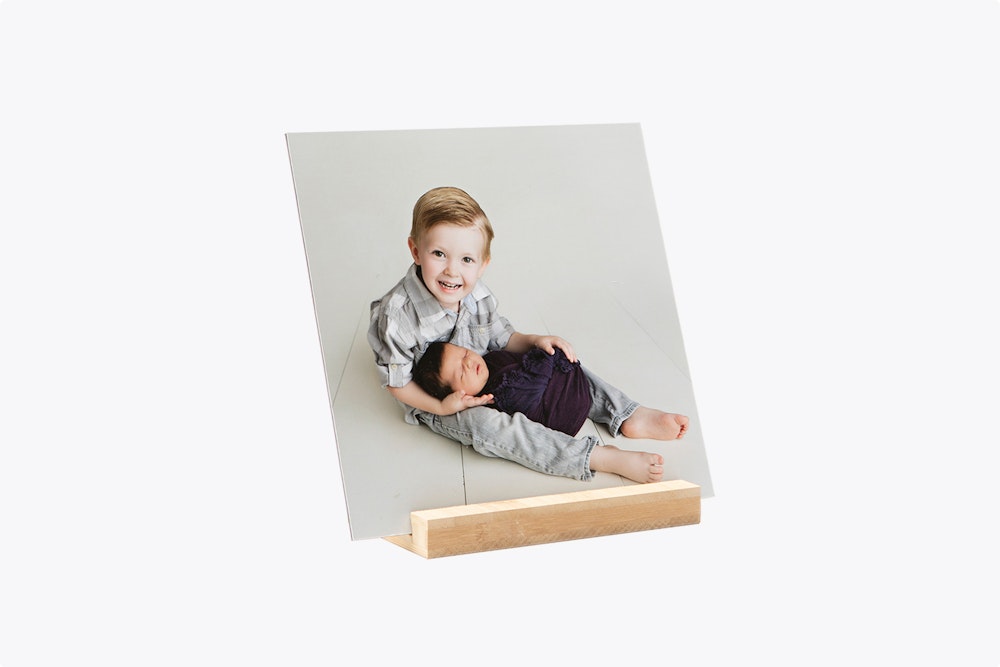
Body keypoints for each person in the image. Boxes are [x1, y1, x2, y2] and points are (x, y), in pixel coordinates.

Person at [368, 186, 688, 485]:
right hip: (435, 396)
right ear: (415, 250)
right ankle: (595, 456)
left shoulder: (476, 294)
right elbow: (399, 384)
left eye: (466, 259)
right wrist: (441, 408)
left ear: (482, 265)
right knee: (486, 425)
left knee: (552, 359)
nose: (452, 270)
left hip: (483, 367)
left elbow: (501, 337)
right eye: (439, 254)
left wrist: (535, 341)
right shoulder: (397, 316)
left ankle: (624, 412)